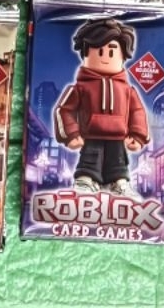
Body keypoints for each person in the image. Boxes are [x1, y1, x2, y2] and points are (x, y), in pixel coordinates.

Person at [53, 17, 149, 195]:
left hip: (118, 137)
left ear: (123, 56)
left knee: (118, 162)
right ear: (85, 54)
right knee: (89, 159)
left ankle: (118, 182)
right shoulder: (80, 88)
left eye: (112, 52)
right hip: (91, 135)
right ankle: (85, 179)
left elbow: (138, 112)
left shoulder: (127, 90)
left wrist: (138, 135)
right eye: (99, 51)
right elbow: (63, 110)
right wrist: (71, 134)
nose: (105, 57)